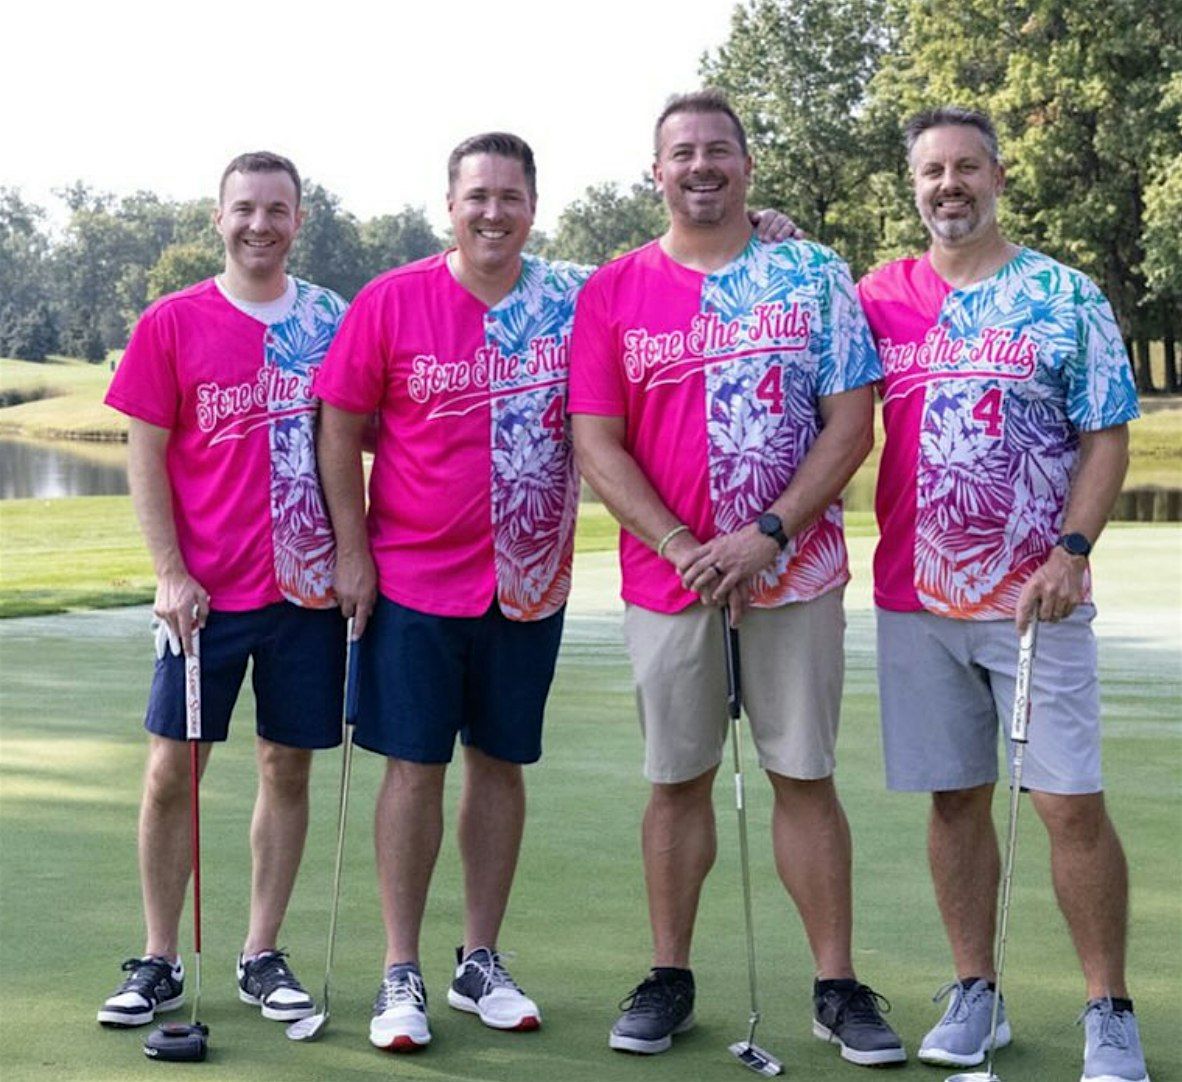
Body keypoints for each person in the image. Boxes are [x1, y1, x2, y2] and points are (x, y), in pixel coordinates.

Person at [314, 131, 798, 1054]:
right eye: (477, 196)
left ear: (534, 207)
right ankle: (400, 967)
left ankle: (479, 959)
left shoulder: (579, 295)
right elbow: (339, 426)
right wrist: (351, 550)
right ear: (450, 206)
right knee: (413, 768)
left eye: (510, 196)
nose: (493, 212)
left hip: (528, 580)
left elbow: (677, 267)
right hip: (413, 576)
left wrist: (762, 229)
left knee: (500, 764)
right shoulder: (391, 300)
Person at [569, 89, 905, 1067]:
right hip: (669, 581)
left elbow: (852, 424)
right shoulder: (614, 289)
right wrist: (683, 544)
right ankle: (668, 976)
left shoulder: (811, 272)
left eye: (719, 149)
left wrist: (767, 534)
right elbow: (596, 441)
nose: (702, 165)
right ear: (657, 172)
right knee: (677, 780)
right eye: (683, 152)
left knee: (803, 774)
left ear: (747, 166)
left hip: (795, 576)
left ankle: (836, 986)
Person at [856, 106, 1148, 1082]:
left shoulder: (1064, 295)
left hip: (1036, 598)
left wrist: (1072, 551)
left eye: (966, 167)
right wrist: (770, 229)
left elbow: (1106, 435)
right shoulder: (876, 297)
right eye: (932, 171)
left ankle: (1109, 1007)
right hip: (915, 596)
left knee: (1068, 804)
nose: (950, 185)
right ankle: (976, 989)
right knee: (953, 798)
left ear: (998, 176)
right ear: (914, 186)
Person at [97, 152, 348, 1030]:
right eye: (245, 208)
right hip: (202, 599)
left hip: (306, 592)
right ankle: (159, 958)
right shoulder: (173, 321)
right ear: (220, 218)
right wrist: (169, 572)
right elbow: (144, 453)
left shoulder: (330, 320)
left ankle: (260, 953)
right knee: (174, 772)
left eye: (277, 210)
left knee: (287, 766)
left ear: (298, 220)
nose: (260, 225)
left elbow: (356, 437)